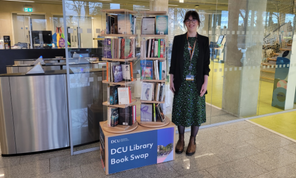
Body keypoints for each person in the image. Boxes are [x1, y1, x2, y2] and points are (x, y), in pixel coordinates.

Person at [169, 10, 210, 156]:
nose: (191, 22)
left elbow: (206, 65)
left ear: (198, 22)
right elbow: (173, 62)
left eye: (194, 20)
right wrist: (171, 80)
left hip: (197, 84)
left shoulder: (204, 41)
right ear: (185, 23)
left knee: (195, 112)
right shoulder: (179, 40)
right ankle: (181, 139)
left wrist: (205, 83)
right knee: (180, 111)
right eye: (188, 20)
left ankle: (192, 140)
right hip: (182, 82)